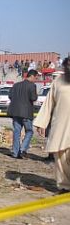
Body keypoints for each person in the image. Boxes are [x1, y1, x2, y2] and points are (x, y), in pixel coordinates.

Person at [34, 57, 70, 193]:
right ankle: (65, 186)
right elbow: (49, 103)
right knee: (60, 156)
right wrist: (41, 123)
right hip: (61, 124)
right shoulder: (58, 82)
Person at [7, 69, 38, 158]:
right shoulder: (32, 86)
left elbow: (10, 96)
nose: (35, 80)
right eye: (35, 78)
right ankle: (22, 149)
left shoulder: (16, 85)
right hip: (26, 113)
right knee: (29, 131)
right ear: (31, 76)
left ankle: (15, 152)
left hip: (15, 112)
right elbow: (33, 98)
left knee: (17, 132)